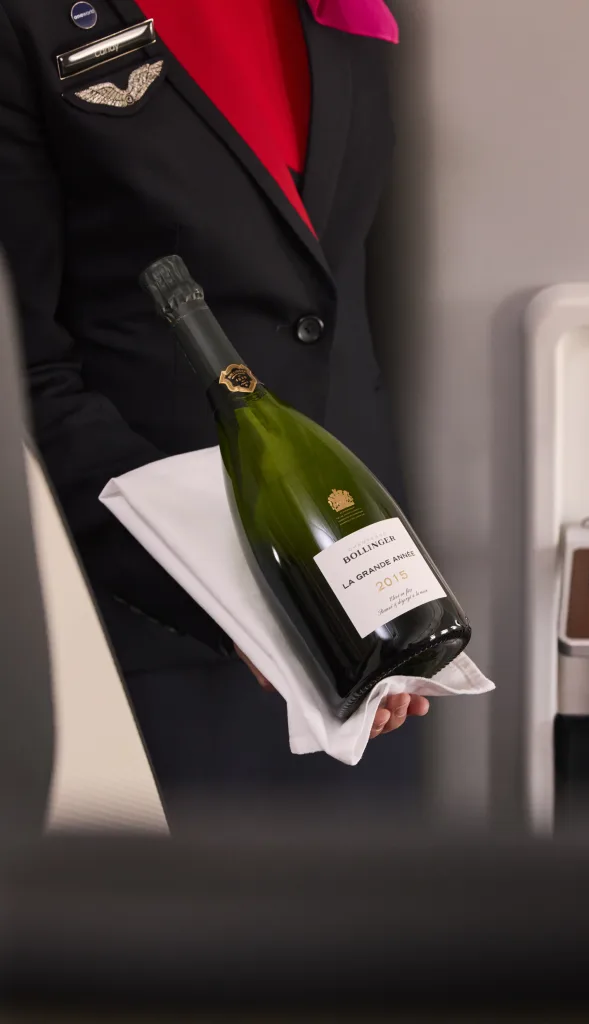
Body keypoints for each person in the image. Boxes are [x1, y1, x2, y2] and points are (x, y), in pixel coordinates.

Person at [0, 0, 429, 819]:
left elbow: (330, 310)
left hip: (367, 615)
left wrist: (382, 584)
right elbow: (20, 370)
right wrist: (227, 591)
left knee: (376, 933)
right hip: (158, 629)